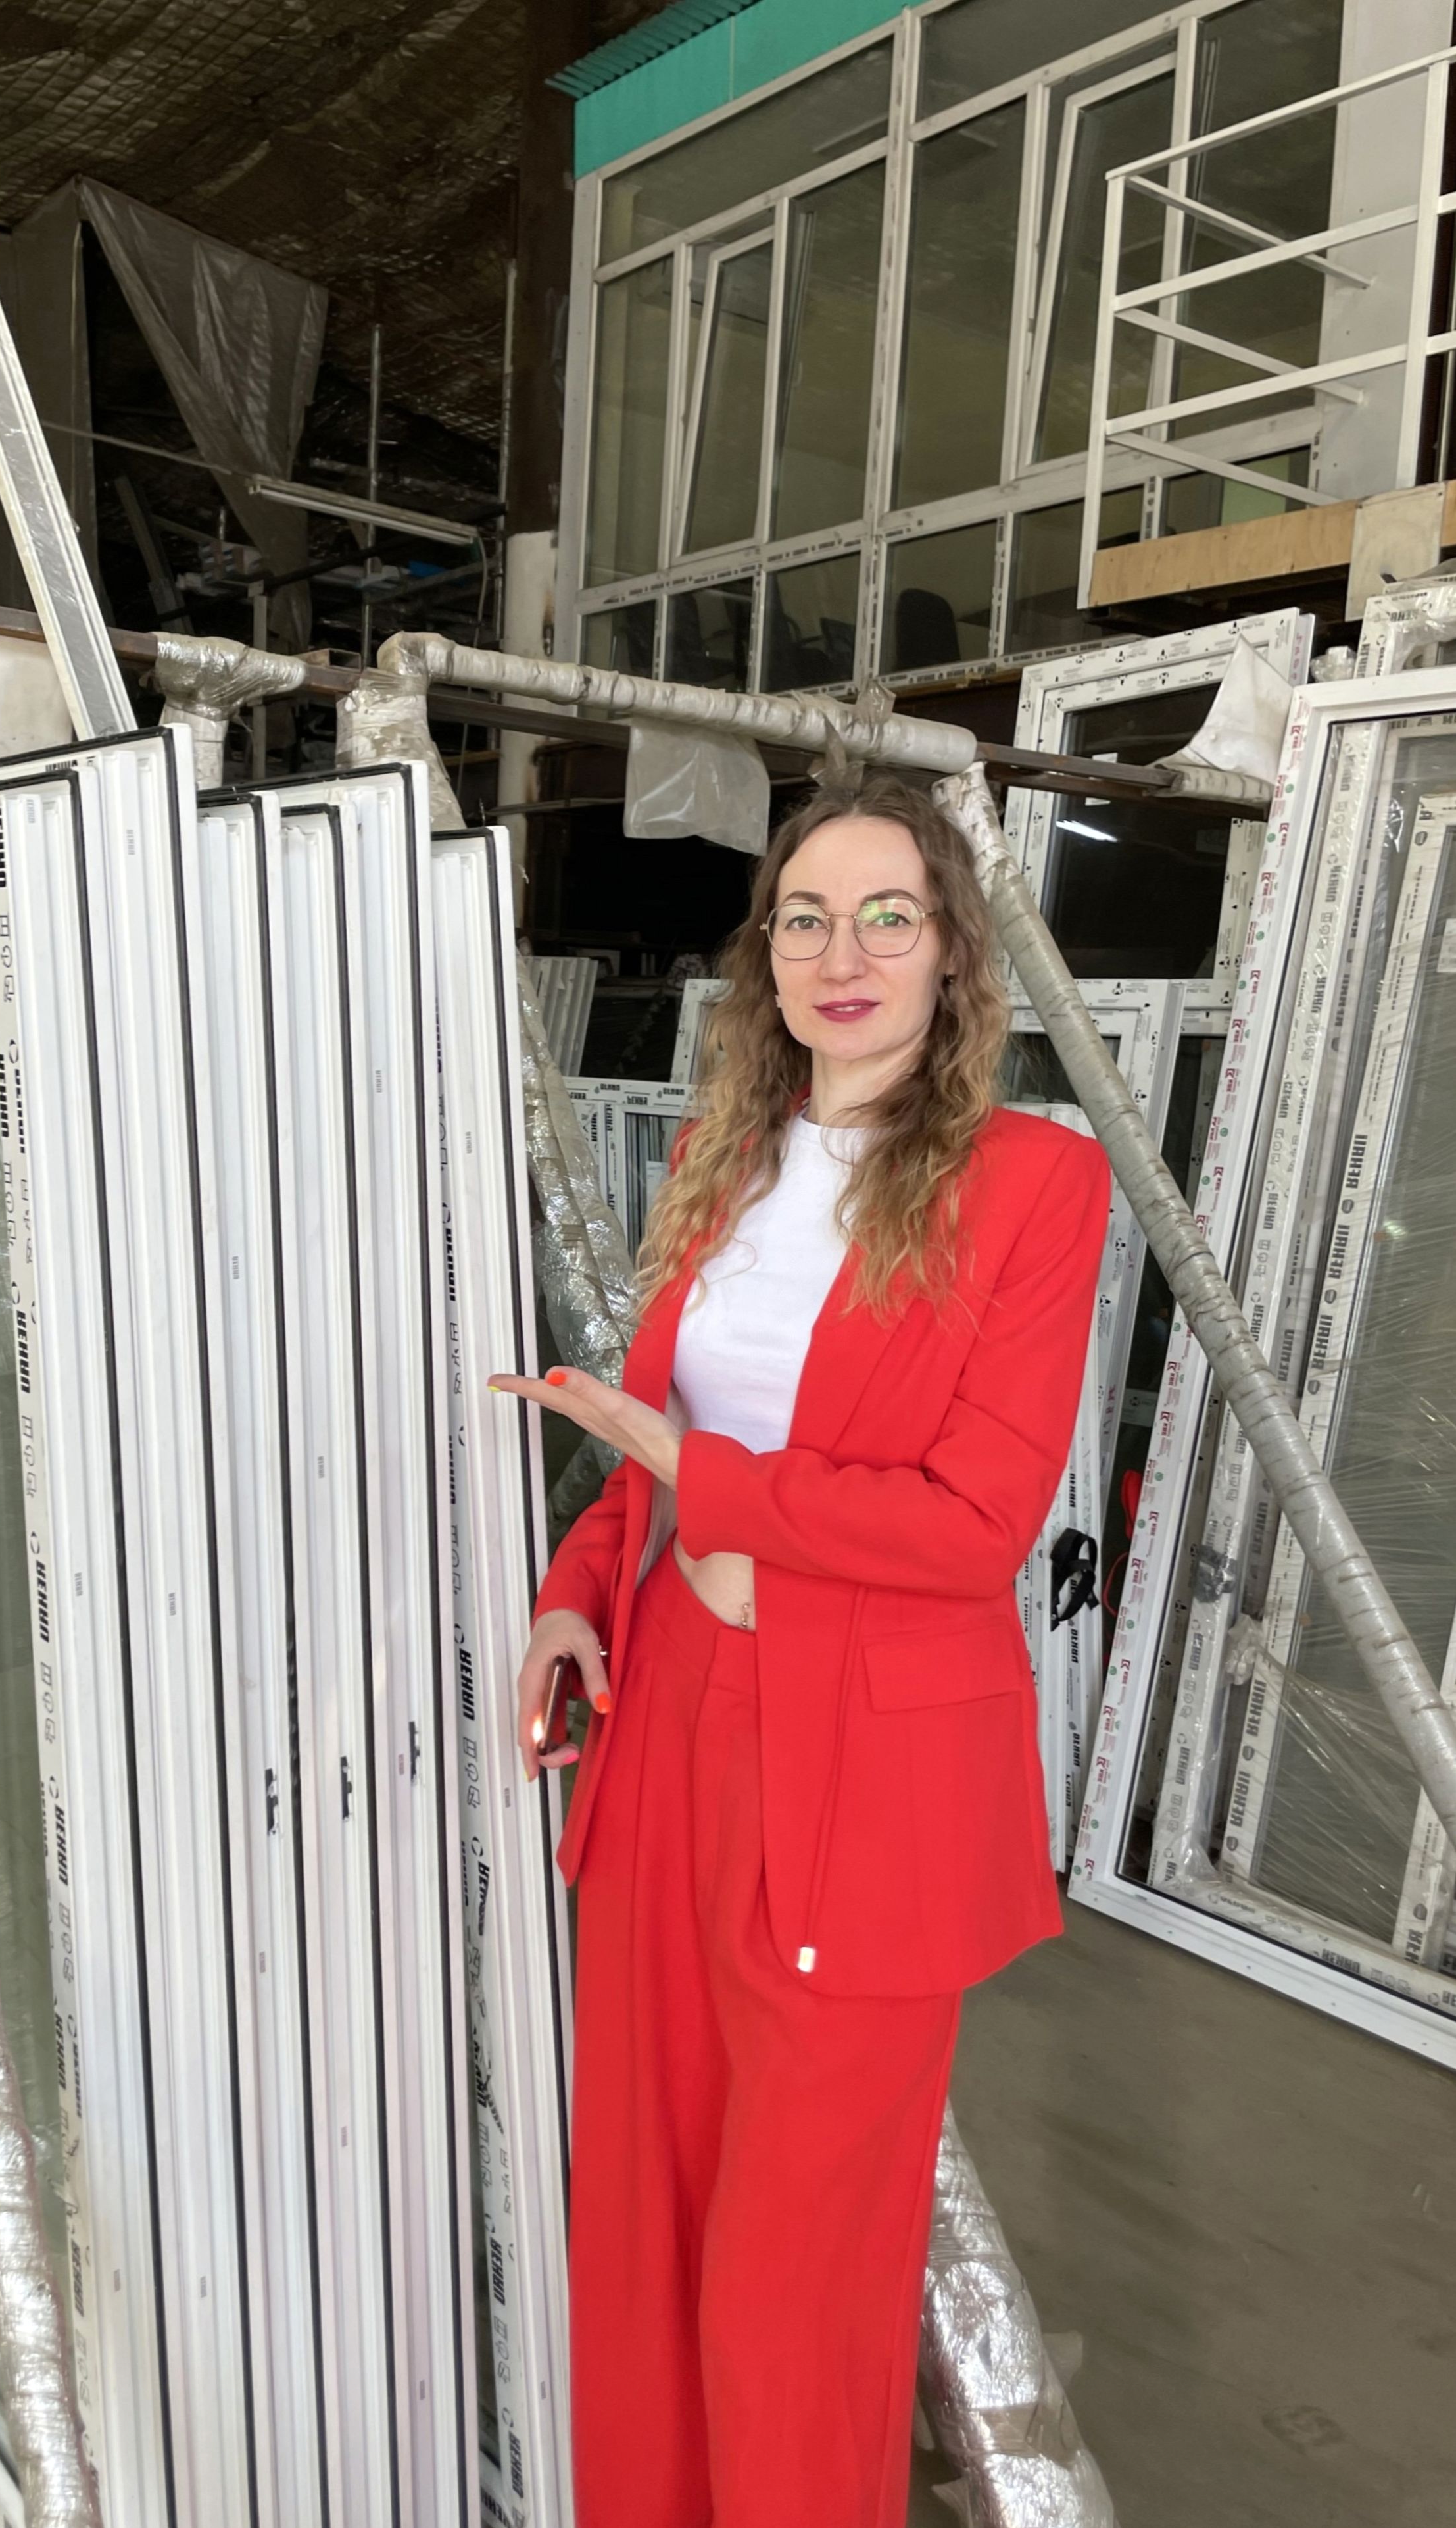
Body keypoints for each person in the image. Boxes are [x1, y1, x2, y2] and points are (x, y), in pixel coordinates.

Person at [489, 773, 1111, 2528]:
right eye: (806, 920)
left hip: (865, 1772)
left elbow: (974, 1521)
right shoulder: (727, 1160)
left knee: (795, 2279)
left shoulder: (1033, 1183)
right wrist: (577, 1591)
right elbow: (653, 1451)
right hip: (671, 1723)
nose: (844, 956)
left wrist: (712, 1491)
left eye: (886, 917)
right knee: (645, 2224)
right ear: (764, 956)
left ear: (951, 950)